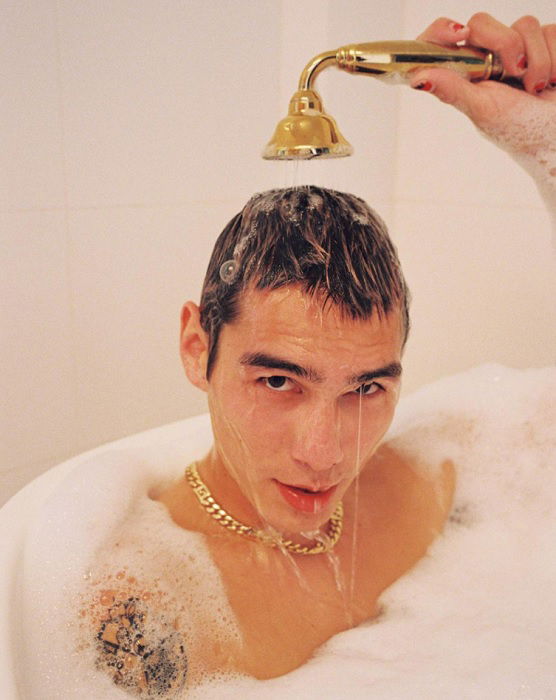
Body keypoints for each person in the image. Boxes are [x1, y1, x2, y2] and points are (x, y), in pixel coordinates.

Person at [87, 12, 555, 696]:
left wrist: (544, 141)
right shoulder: (146, 612)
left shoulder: (435, 478)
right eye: (279, 380)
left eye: (366, 388)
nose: (325, 451)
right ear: (197, 347)